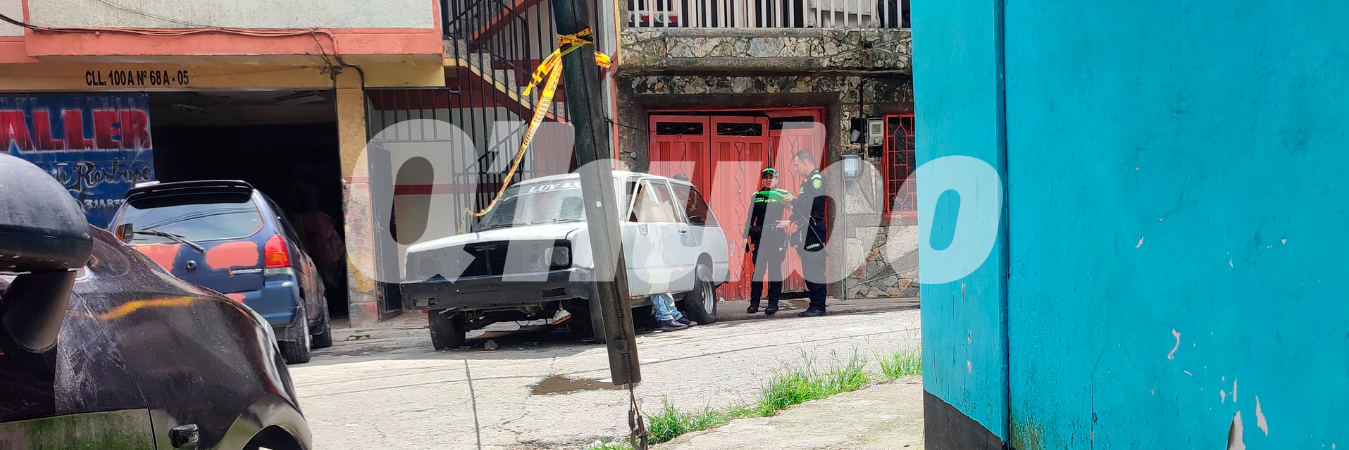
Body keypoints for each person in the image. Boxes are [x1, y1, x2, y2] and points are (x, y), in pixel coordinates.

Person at [777, 149, 828, 317]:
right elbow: (802, 208)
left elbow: (810, 204)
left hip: (814, 230)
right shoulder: (807, 181)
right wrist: (791, 215)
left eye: (797, 165)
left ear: (806, 163)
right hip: (806, 229)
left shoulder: (816, 180)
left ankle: (819, 307)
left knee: (814, 268)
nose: (796, 169)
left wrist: (793, 201)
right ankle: (814, 304)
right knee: (808, 268)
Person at [743, 167, 793, 315]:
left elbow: (799, 208)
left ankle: (773, 304)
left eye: (771, 177)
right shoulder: (757, 195)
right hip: (760, 238)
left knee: (774, 271)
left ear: (777, 179)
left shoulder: (782, 195)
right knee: (758, 271)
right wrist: (745, 236)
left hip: (776, 237)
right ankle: (754, 304)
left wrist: (789, 221)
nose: (768, 180)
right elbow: (750, 217)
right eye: (765, 177)